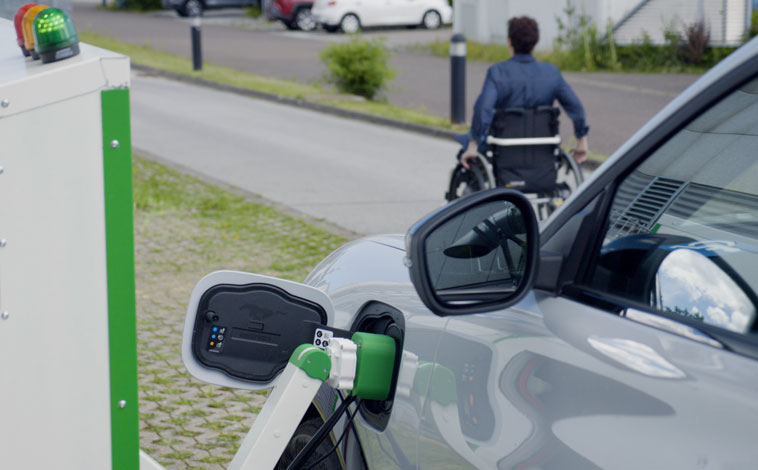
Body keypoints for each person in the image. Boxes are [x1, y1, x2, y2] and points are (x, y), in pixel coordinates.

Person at [459, 16, 590, 180]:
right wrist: (581, 139)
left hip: (505, 150)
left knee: (465, 144)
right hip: (542, 151)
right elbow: (575, 106)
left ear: (509, 41)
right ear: (535, 42)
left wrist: (473, 144)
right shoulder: (551, 73)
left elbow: (483, 108)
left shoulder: (497, 72)